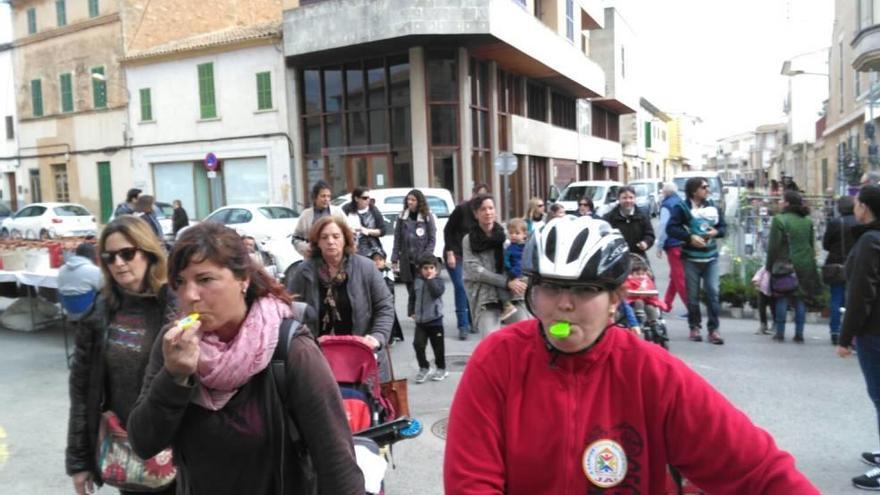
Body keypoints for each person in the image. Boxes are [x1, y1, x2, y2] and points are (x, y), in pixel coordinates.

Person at [444, 216, 819, 494]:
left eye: (585, 289)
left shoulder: (651, 372)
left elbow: (759, 471)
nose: (563, 306)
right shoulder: (499, 358)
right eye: (551, 287)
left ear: (615, 301)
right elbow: (470, 483)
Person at [126, 222, 363, 494]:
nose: (190, 296)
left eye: (205, 280)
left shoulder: (290, 349)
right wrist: (174, 376)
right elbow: (143, 441)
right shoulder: (175, 345)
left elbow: (337, 463)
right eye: (180, 282)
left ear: (243, 280)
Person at [66, 216, 176, 495]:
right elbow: (81, 393)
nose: (118, 263)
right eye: (109, 257)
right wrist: (80, 462)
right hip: (126, 450)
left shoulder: (176, 304)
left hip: (180, 449)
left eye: (127, 253)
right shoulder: (100, 313)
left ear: (148, 252)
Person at [287, 216, 394, 381]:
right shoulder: (304, 272)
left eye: (336, 236)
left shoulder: (365, 268)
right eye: (324, 237)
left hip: (361, 357)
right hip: (318, 360)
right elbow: (289, 311)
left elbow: (384, 306)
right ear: (317, 242)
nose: (330, 241)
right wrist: (303, 344)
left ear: (345, 239)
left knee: (360, 405)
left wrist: (378, 336)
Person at [836, 184, 880, 490]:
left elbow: (861, 293)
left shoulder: (870, 241)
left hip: (874, 331)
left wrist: (845, 336)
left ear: (864, 207)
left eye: (856, 203)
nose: (854, 208)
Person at [666, 176, 727, 345]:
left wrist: (716, 232)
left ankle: (714, 330)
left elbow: (723, 227)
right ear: (694, 191)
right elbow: (671, 228)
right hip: (691, 259)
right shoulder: (681, 207)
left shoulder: (713, 207)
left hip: (711, 258)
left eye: (707, 187)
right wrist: (689, 237)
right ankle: (694, 327)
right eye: (704, 187)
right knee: (692, 296)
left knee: (713, 293)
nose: (708, 190)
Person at [463, 194, 528, 336]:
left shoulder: (507, 234)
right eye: (483, 209)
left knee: (525, 337)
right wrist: (505, 282)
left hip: (513, 296)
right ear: (476, 214)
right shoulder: (469, 240)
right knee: (491, 343)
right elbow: (474, 270)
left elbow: (522, 259)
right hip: (486, 298)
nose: (488, 212)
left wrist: (519, 281)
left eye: (491, 208)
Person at [765, 190, 820, 343]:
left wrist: (769, 266)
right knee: (800, 299)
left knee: (782, 297)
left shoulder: (779, 220)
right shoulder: (807, 221)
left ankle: (780, 332)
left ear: (787, 203)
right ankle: (799, 333)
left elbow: (773, 247)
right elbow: (811, 244)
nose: (780, 202)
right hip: (805, 264)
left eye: (782, 200)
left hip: (785, 263)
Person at [444, 183, 489, 341]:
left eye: (484, 197)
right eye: (479, 195)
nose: (481, 199)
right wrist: (449, 252)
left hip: (472, 256)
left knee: (473, 288)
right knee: (461, 287)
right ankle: (462, 326)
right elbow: (448, 230)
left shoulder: (483, 214)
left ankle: (472, 320)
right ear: (474, 194)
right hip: (455, 254)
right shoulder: (462, 210)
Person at [392, 189, 437, 320]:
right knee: (410, 288)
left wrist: (426, 257)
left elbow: (432, 239)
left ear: (419, 201)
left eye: (413, 200)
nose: (410, 202)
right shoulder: (402, 217)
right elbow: (397, 239)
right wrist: (394, 258)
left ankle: (417, 312)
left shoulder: (427, 216)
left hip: (421, 260)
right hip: (406, 260)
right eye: (408, 200)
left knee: (419, 288)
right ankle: (415, 312)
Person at [822, 196, 858, 345]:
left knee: (836, 298)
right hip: (855, 265)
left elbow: (826, 244)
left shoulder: (835, 223)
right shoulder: (860, 222)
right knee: (852, 300)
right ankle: (849, 332)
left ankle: (835, 331)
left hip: (836, 265)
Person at [412, 254, 447, 384]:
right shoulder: (417, 281)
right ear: (420, 269)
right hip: (420, 322)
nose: (428, 271)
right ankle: (424, 367)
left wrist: (431, 280)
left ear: (436, 269)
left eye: (431, 268)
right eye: (425, 268)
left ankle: (441, 368)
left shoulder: (438, 281)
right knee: (418, 345)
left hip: (435, 321)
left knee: (438, 347)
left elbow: (437, 293)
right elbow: (412, 296)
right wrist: (411, 310)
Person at [655, 182, 687, 314]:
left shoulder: (666, 205)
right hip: (684, 241)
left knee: (679, 277)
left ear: (666, 192)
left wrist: (659, 245)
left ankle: (691, 307)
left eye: (662, 191)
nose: (662, 193)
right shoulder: (680, 201)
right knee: (675, 275)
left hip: (673, 243)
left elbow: (663, 226)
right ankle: (667, 303)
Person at [292, 179, 345, 257]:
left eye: (328, 196)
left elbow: (350, 233)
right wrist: (305, 247)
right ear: (315, 197)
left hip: (335, 256)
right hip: (313, 257)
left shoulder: (337, 212)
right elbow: (295, 239)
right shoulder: (306, 215)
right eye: (323, 196)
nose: (326, 199)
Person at [603, 185, 655, 261]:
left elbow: (650, 234)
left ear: (635, 199)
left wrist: (645, 243)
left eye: (631, 197)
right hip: (616, 260)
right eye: (624, 198)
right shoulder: (609, 218)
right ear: (619, 199)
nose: (628, 201)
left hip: (638, 258)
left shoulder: (642, 216)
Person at [624, 254, 669, 328]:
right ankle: (639, 317)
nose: (641, 276)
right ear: (631, 274)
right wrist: (635, 291)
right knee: (639, 302)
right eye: (638, 274)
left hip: (647, 301)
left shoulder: (647, 281)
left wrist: (648, 292)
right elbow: (626, 291)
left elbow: (653, 291)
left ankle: (654, 323)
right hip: (632, 302)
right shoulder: (629, 281)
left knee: (650, 308)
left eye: (643, 274)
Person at [342, 186, 388, 257]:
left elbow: (383, 230)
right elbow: (338, 226)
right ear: (356, 198)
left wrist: (368, 231)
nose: (368, 200)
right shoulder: (346, 209)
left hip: (371, 248)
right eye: (364, 198)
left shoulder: (373, 210)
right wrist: (349, 230)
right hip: (351, 247)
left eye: (369, 198)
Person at [370, 248, 404, 345]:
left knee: (389, 317)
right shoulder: (371, 272)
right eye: (375, 260)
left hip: (387, 297)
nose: (377, 262)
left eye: (380, 260)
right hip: (375, 298)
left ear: (384, 261)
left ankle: (392, 336)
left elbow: (389, 286)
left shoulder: (387, 272)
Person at [57, 242, 103, 310]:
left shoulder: (62, 269)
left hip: (68, 308)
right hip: (89, 311)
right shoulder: (93, 270)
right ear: (93, 255)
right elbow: (103, 288)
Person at [500, 217, 528, 321]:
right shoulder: (512, 245)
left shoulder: (520, 248)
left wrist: (512, 275)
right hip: (512, 273)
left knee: (503, 289)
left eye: (517, 233)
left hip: (517, 275)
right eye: (511, 233)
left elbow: (520, 263)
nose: (513, 236)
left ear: (524, 234)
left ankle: (507, 306)